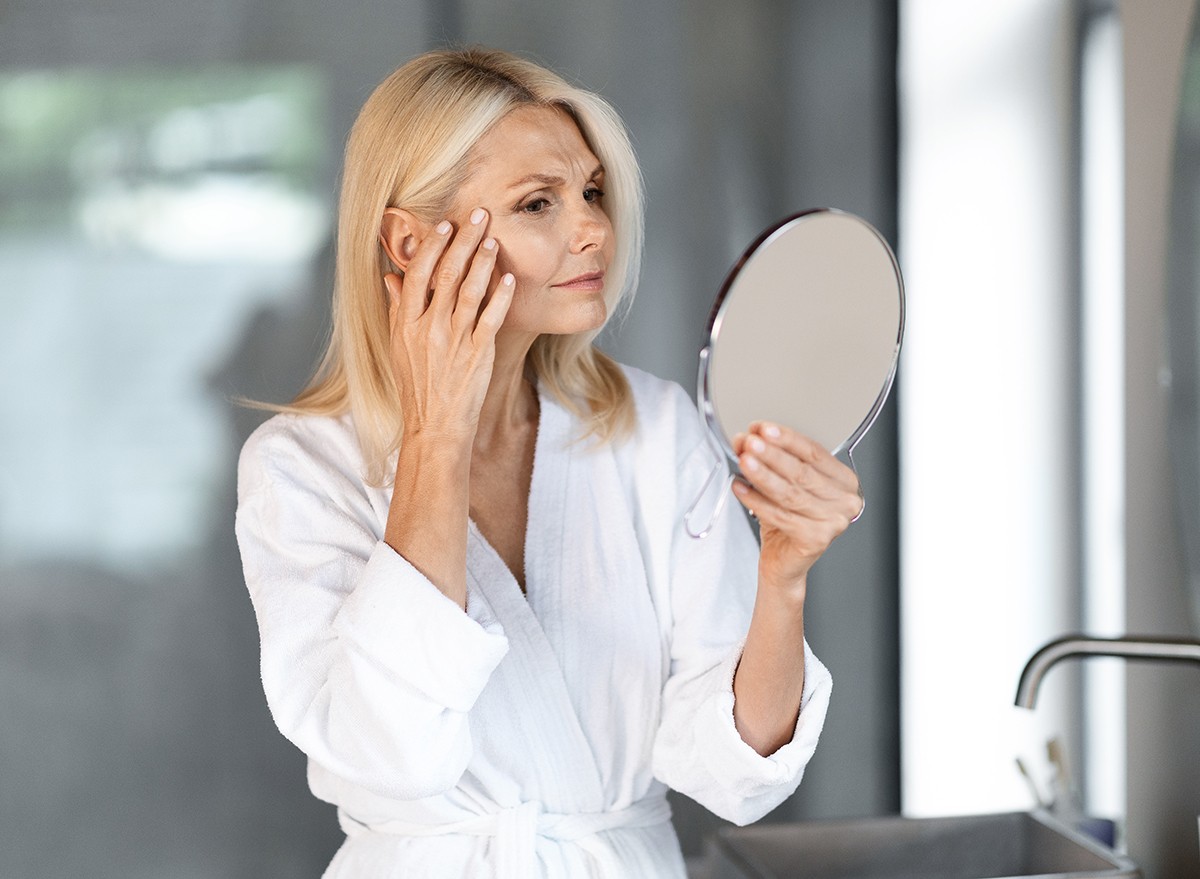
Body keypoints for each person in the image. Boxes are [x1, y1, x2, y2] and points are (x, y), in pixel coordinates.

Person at [235, 46, 862, 879]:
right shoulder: (301, 470)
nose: (594, 226)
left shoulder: (651, 428)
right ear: (408, 242)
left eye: (593, 192)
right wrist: (436, 438)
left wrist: (783, 575)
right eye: (540, 202)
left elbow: (734, 767)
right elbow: (391, 750)